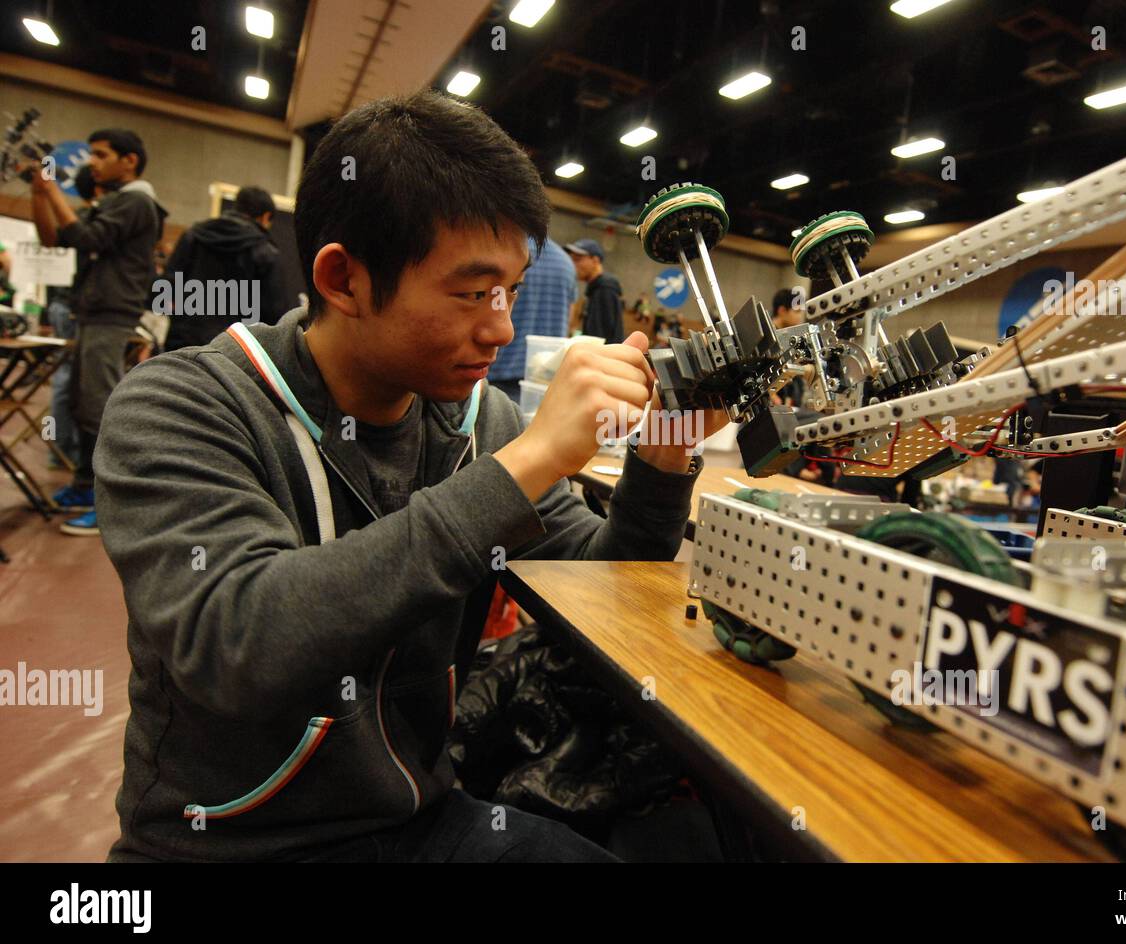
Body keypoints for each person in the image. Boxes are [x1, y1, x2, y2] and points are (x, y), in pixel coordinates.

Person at [94, 89, 726, 863]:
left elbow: (603, 596)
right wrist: (527, 462)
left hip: (422, 821)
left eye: (513, 292)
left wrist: (664, 455)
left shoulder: (479, 420)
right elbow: (239, 645)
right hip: (223, 844)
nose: (501, 327)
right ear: (342, 279)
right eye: (469, 293)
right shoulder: (182, 404)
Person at [28, 127, 167, 536]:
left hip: (112, 314)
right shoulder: (112, 202)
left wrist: (53, 190)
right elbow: (55, 238)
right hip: (90, 312)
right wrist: (39, 195)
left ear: (130, 161)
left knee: (101, 406)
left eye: (101, 154)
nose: (92, 162)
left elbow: (87, 238)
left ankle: (109, 503)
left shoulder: (138, 202)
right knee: (78, 402)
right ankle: (83, 485)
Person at [162, 185, 292, 351]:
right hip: (231, 349)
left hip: (182, 340)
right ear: (265, 217)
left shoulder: (194, 235)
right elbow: (274, 312)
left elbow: (168, 285)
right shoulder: (265, 252)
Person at [43, 164, 102, 469]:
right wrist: (47, 189)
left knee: (69, 380)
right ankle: (61, 449)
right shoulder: (84, 221)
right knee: (67, 381)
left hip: (66, 305)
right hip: (70, 307)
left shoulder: (84, 218)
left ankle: (63, 448)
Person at [487, 235, 575, 404]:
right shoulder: (566, 263)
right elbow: (570, 317)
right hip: (546, 378)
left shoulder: (507, 253)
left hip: (501, 372)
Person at [565, 238, 624, 342]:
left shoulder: (604, 290)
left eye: (577, 260)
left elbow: (600, 338)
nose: (573, 265)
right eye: (571, 260)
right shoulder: (595, 288)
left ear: (595, 260)